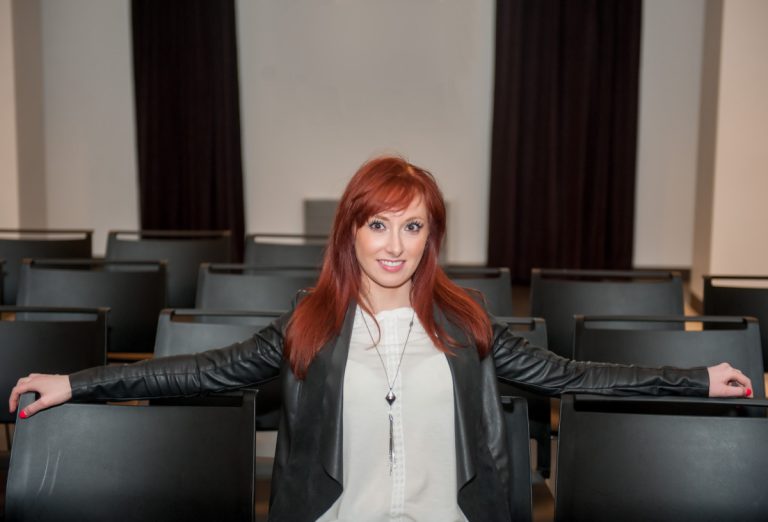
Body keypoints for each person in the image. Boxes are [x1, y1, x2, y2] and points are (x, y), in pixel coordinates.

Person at [9, 155, 752, 522]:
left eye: (412, 226)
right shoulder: (311, 324)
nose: (394, 245)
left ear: (431, 238)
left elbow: (577, 377)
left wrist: (694, 380)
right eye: (377, 224)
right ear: (351, 233)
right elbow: (197, 373)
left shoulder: (468, 328)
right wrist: (79, 382)